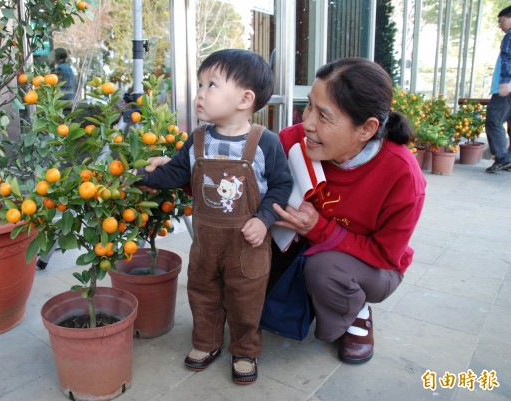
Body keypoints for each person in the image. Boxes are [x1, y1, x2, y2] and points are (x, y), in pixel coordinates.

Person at [138, 49, 293, 384]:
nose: (199, 94)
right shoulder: (196, 141)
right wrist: (142, 176)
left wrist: (264, 219)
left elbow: (282, 185)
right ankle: (206, 342)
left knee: (246, 298)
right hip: (206, 242)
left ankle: (245, 348)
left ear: (244, 98)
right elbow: (177, 174)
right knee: (202, 290)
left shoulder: (265, 143)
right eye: (199, 84)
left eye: (211, 85)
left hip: (247, 244)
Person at [273, 57, 426, 364]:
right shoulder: (292, 141)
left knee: (326, 270)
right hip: (302, 244)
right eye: (309, 106)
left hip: (374, 267)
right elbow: (246, 182)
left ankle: (356, 312)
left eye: (324, 116)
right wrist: (179, 176)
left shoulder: (401, 174)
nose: (308, 123)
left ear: (366, 129)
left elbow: (385, 255)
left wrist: (319, 229)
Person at [485, 6, 511, 173]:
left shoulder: (510, 36)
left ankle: (503, 158)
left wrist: (504, 81)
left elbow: (507, 58)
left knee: (493, 121)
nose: (500, 25)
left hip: (506, 88)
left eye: (502, 21)